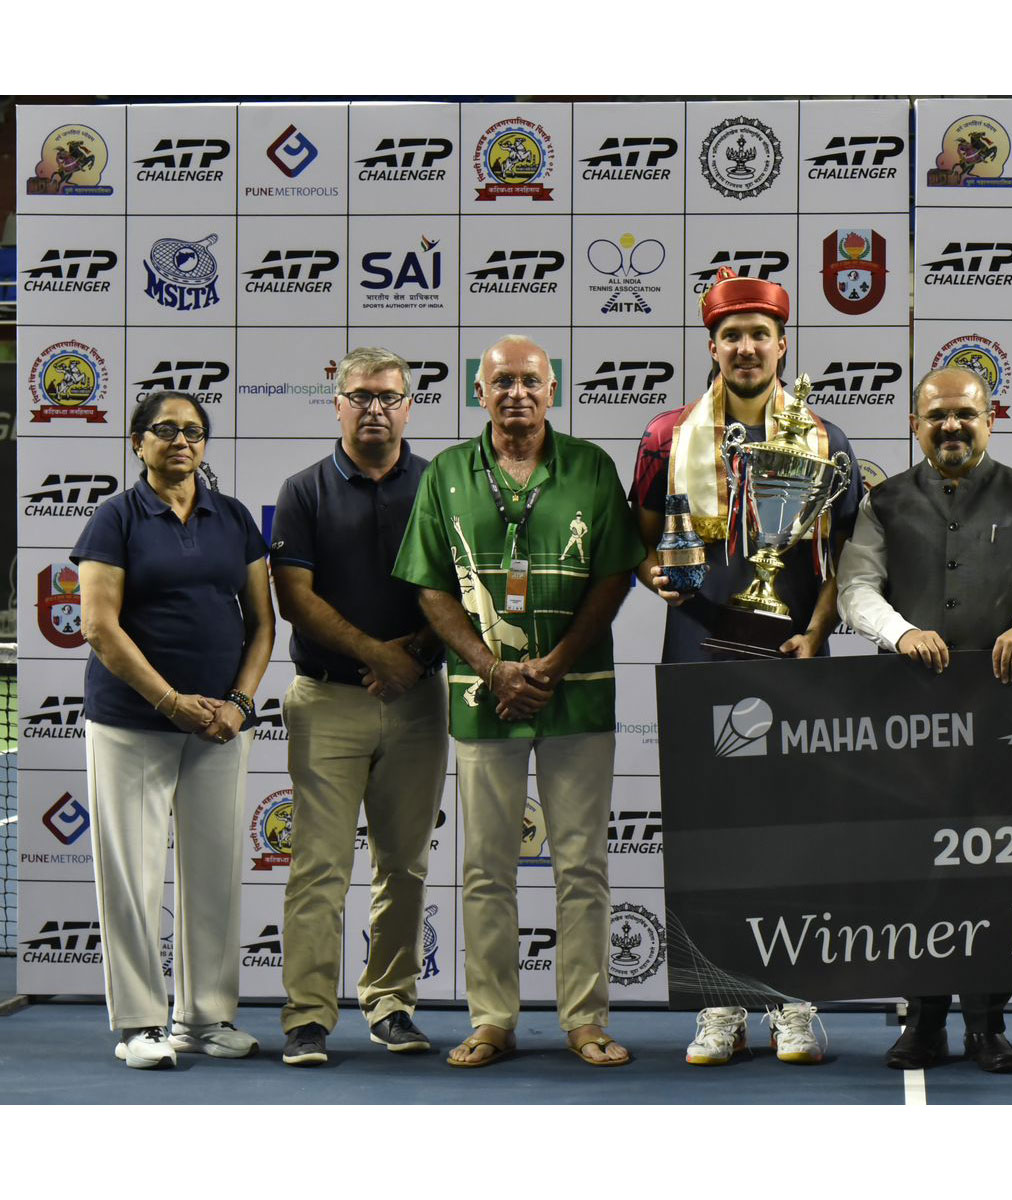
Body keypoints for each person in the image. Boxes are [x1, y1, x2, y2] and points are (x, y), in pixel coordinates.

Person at [630, 266, 863, 1067]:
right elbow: (640, 536)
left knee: (792, 832)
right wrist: (648, 574)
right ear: (712, 345)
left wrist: (819, 630)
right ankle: (718, 1001)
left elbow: (850, 561)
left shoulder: (824, 438)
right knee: (707, 832)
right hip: (698, 646)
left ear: (781, 343)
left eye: (760, 334)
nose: (746, 347)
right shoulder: (667, 436)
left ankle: (792, 1000)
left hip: (792, 650)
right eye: (732, 335)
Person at [394, 335, 644, 1068]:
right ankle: (492, 1019)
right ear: (480, 392)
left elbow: (612, 578)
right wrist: (491, 667)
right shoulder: (446, 474)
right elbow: (429, 585)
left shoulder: (591, 468)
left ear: (553, 390)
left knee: (582, 864)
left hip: (580, 695)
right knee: (485, 866)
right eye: (502, 381)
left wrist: (554, 666)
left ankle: (586, 1019)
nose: (517, 393)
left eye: (530, 381)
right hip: (482, 698)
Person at [836, 365, 1012, 1074]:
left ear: (989, 419)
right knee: (915, 869)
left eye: (965, 415)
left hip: (1003, 717)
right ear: (915, 424)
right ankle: (923, 1020)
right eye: (936, 415)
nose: (951, 427)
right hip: (909, 720)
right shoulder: (883, 501)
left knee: (993, 870)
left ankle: (986, 1024)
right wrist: (899, 631)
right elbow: (854, 587)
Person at [73, 390, 274, 1068]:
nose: (180, 440)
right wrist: (170, 702)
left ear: (205, 446)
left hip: (220, 727)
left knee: (214, 872)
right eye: (164, 430)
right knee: (132, 875)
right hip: (132, 723)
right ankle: (139, 1024)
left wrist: (239, 704)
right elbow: (99, 626)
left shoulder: (235, 519)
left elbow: (263, 622)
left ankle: (205, 1019)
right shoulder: (114, 519)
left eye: (192, 431)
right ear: (138, 443)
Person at [271, 347, 449, 1067]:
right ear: (336, 403)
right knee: (317, 866)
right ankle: (307, 1018)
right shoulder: (303, 489)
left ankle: (391, 1005)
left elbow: (466, 588)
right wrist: (381, 656)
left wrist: (416, 657)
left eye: (389, 396)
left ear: (408, 405)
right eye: (361, 396)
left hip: (418, 701)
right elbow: (294, 599)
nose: (374, 408)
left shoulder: (442, 485)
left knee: (403, 866)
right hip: (326, 701)